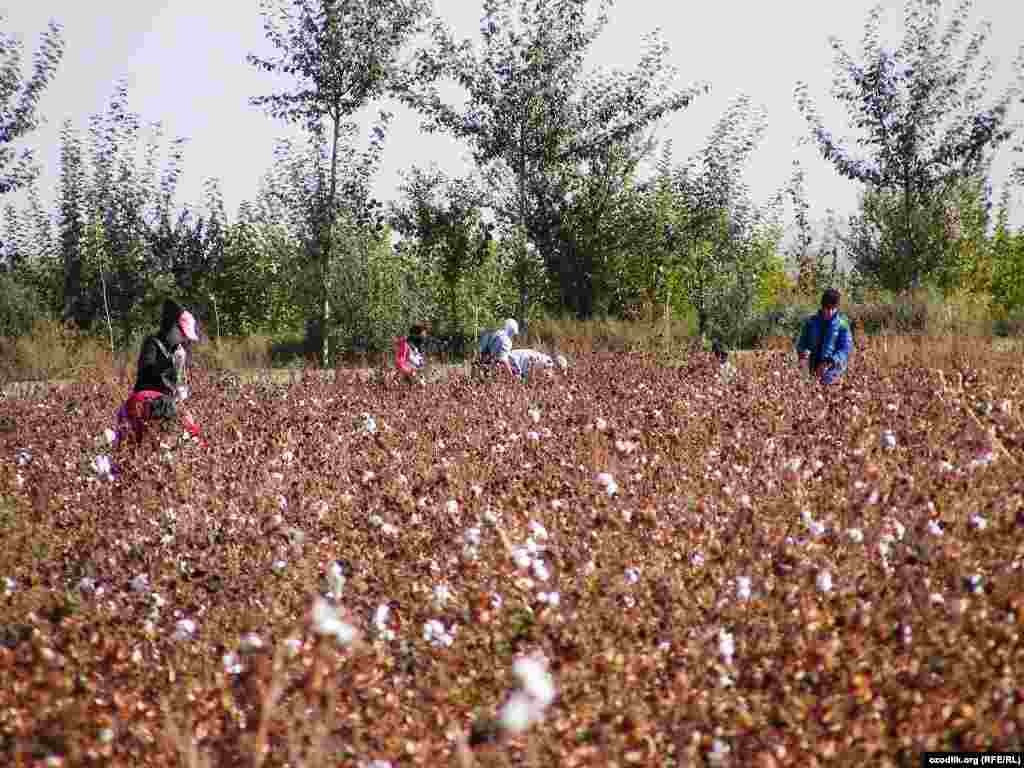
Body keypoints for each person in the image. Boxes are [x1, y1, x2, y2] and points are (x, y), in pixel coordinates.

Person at [115, 299, 204, 446]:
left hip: (166, 403)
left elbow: (178, 382)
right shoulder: (152, 343)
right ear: (172, 327)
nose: (183, 338)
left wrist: (180, 383)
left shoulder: (177, 350)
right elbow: (147, 370)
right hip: (146, 400)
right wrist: (170, 362)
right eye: (182, 333)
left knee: (191, 429)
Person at [796, 288, 853, 385]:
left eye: (833, 309)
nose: (829, 312)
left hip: (834, 371)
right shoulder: (811, 321)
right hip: (813, 368)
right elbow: (802, 343)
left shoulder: (843, 323)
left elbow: (845, 349)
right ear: (822, 307)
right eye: (827, 309)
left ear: (837, 307)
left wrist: (829, 362)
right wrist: (803, 352)